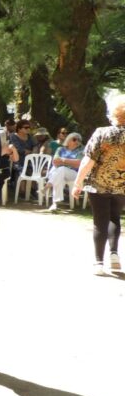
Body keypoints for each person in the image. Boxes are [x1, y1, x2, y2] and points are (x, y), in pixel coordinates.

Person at [73, 95, 125, 275]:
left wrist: (78, 182)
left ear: (114, 114)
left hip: (98, 185)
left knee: (99, 222)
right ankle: (114, 255)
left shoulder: (102, 133)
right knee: (115, 218)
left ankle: (98, 263)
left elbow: (88, 160)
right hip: (122, 186)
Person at [47, 132, 83, 212]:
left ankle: (48, 185)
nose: (77, 141)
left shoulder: (81, 151)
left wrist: (63, 160)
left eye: (79, 140)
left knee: (61, 169)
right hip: (59, 172)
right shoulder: (60, 149)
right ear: (68, 140)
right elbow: (55, 162)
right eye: (74, 139)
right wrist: (70, 162)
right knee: (60, 175)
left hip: (74, 174)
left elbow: (78, 164)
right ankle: (55, 203)